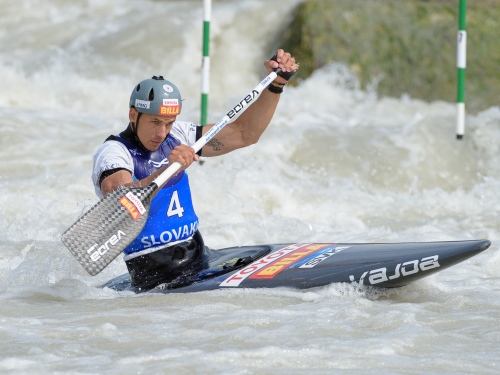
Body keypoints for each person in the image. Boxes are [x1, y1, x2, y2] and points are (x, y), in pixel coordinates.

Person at [91, 49, 299, 291]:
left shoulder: (179, 135)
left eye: (168, 122)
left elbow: (245, 134)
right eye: (155, 122)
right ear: (133, 115)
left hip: (198, 257)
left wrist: (277, 84)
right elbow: (118, 199)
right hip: (156, 278)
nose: (162, 133)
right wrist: (168, 169)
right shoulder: (114, 152)